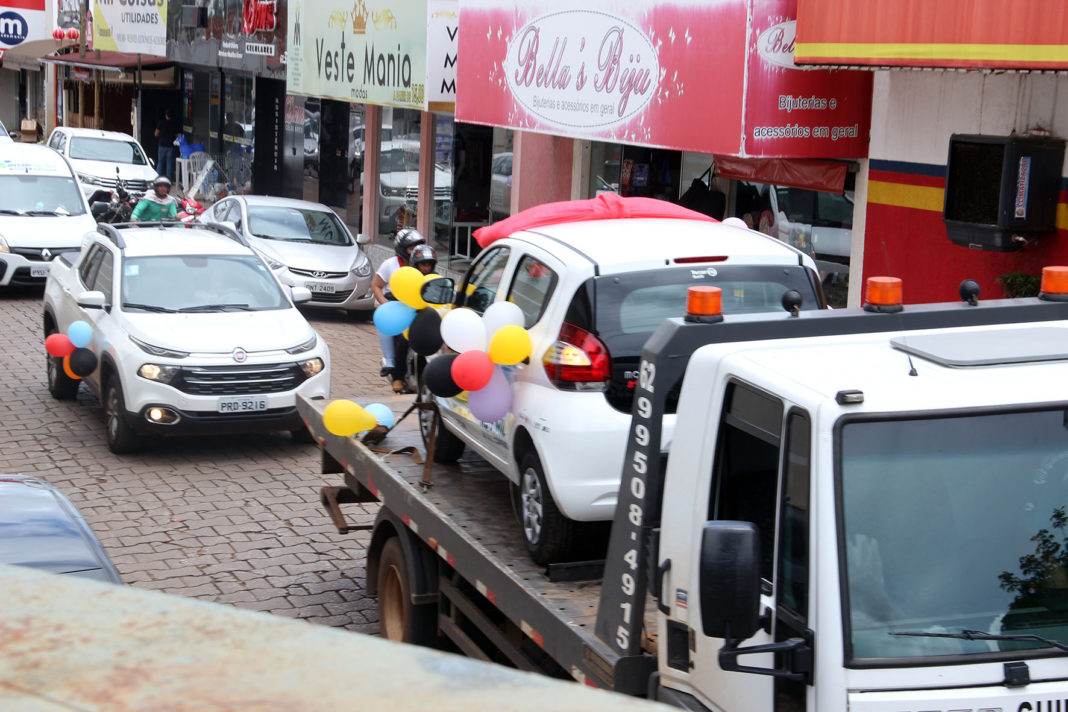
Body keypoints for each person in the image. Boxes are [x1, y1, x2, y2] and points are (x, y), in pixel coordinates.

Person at [371, 228, 427, 393]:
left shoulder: (423, 264)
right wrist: (385, 304)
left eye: (417, 247)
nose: (414, 251)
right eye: (411, 248)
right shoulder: (390, 264)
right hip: (398, 307)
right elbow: (376, 285)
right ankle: (394, 370)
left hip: (419, 308)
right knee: (402, 338)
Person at [154, 108, 177, 181]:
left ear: (166, 115)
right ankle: (168, 181)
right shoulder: (174, 124)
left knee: (160, 163)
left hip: (162, 145)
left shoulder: (161, 122)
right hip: (170, 146)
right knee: (169, 164)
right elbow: (176, 135)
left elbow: (156, 134)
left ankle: (157, 180)